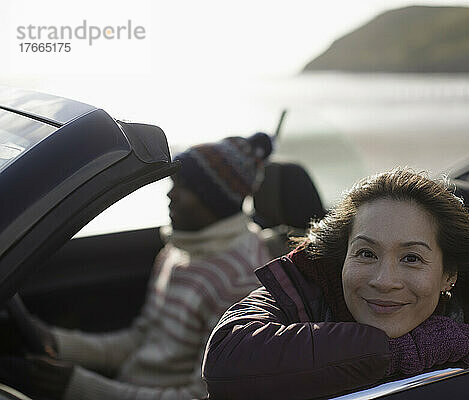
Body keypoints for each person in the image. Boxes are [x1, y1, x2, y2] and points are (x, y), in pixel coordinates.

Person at [202, 167, 469, 400]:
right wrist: (403, 351)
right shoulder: (298, 290)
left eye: (411, 258)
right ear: (342, 257)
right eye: (366, 253)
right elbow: (225, 361)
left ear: (449, 274)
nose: (384, 281)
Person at [14, 132, 275, 399]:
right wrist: (56, 341)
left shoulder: (240, 282)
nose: (171, 194)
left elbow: (203, 395)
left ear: (214, 201)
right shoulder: (177, 251)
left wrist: (80, 388)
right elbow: (141, 341)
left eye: (184, 187)